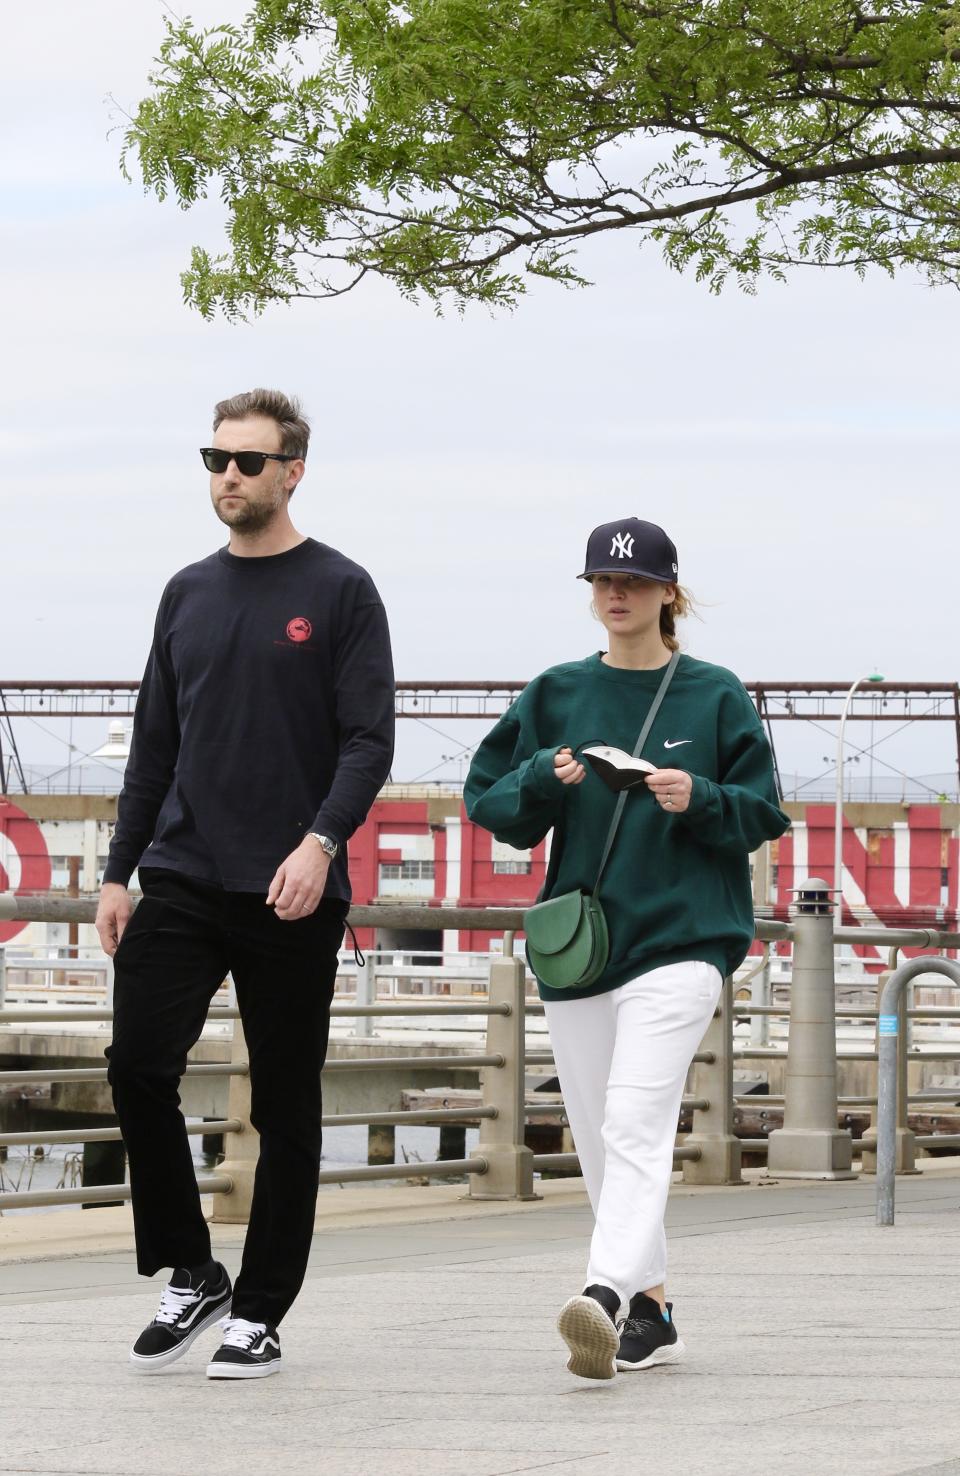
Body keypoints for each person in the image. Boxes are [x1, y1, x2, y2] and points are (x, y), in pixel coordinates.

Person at [96, 388, 394, 1380]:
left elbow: (367, 742)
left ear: (292, 471)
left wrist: (320, 843)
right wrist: (114, 873)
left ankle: (261, 1309)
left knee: (286, 1105)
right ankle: (192, 1268)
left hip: (290, 887)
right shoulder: (186, 592)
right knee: (138, 1062)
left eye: (249, 461)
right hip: (180, 874)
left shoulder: (342, 590)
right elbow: (153, 747)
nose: (229, 475)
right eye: (215, 458)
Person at [464, 517, 789, 1380]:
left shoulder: (715, 695)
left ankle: (602, 1294)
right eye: (603, 583)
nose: (616, 595)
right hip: (583, 949)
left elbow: (764, 812)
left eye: (635, 583)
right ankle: (652, 1310)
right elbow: (489, 806)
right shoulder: (556, 692)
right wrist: (541, 778)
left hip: (684, 943)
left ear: (667, 593)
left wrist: (703, 796)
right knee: (602, 1136)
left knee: (636, 1118)